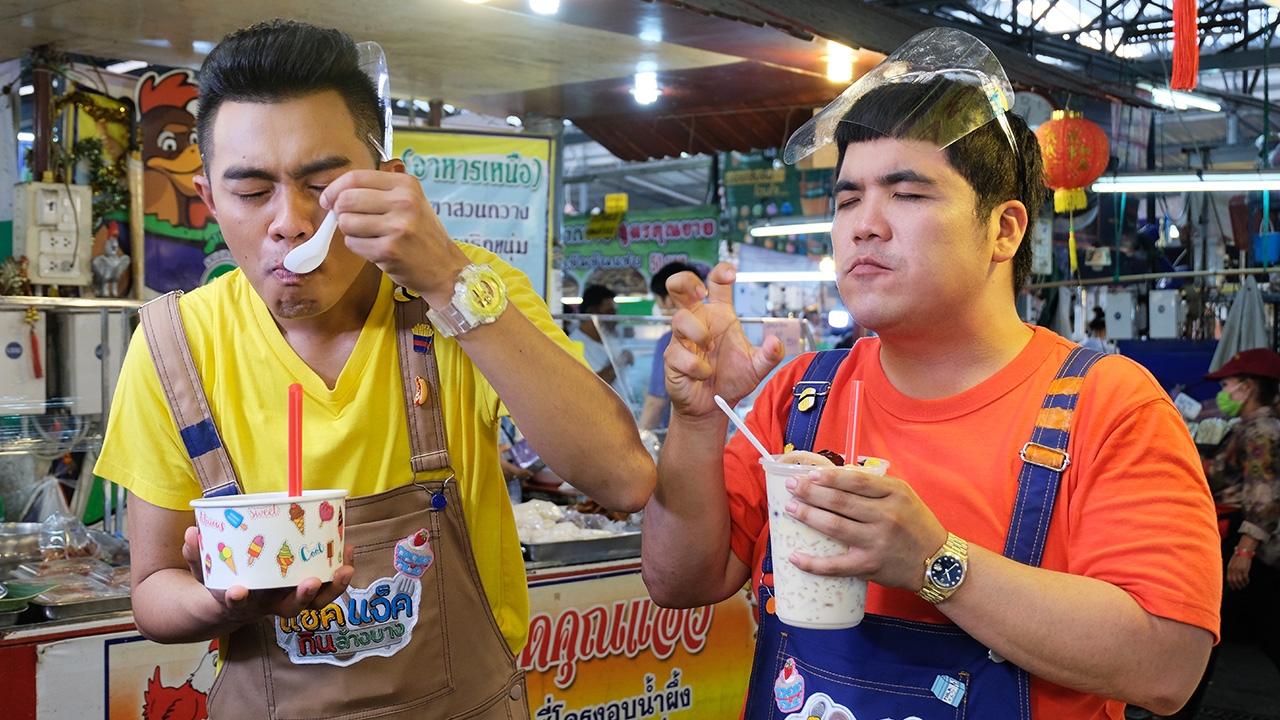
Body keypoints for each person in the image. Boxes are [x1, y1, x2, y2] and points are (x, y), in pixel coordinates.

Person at [641, 27, 1220, 720]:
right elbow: (679, 580)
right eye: (848, 199)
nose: (865, 225)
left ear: (1005, 230)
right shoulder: (803, 396)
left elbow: (1169, 667)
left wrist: (935, 563)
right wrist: (698, 420)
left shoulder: (1108, 405)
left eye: (907, 194)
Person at [95, 20, 654, 718]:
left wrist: (449, 277)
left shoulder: (470, 293)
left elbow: (623, 479)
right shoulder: (176, 345)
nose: (289, 221)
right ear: (209, 198)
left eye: (320, 184)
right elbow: (152, 588)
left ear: (386, 181)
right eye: (251, 191)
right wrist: (221, 599)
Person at [1173, 348, 1280, 718]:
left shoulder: (1261, 430)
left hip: (1244, 541)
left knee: (1209, 628)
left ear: (1248, 387)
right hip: (1242, 542)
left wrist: (1244, 551)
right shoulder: (1250, 427)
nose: (1225, 392)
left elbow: (1263, 493)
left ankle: (1177, 707)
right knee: (1260, 624)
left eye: (1230, 384)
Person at [638, 261, 704, 431]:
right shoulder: (717, 332)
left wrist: (637, 441)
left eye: (657, 299)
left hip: (681, 436)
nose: (658, 307)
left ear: (670, 299)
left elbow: (656, 403)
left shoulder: (669, 342)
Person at [569, 284, 633, 396]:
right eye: (610, 313)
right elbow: (591, 385)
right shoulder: (575, 344)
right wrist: (620, 361)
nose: (614, 320)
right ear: (592, 311)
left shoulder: (609, 339)